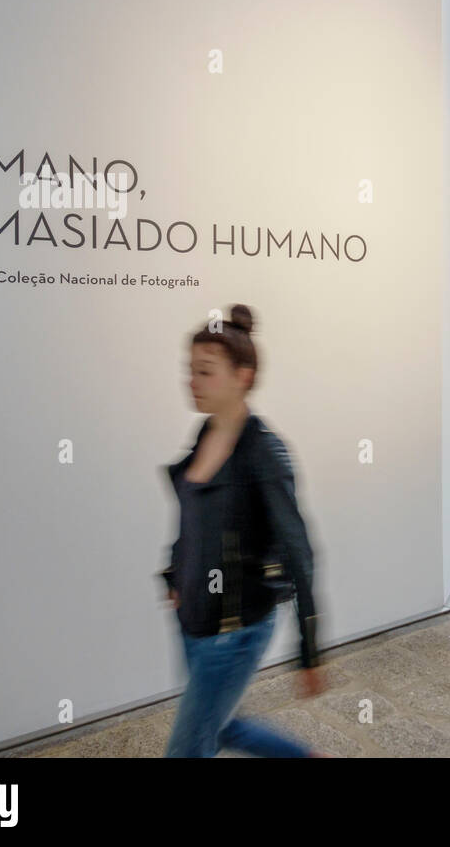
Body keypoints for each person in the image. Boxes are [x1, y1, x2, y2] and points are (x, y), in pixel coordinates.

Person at [160, 303, 326, 757]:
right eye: (190, 370)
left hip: (233, 632)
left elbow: (299, 551)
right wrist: (174, 575)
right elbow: (192, 516)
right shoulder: (203, 434)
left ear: (243, 376)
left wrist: (308, 651)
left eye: (205, 371)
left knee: (188, 748)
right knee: (221, 724)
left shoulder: (264, 453)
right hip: (192, 620)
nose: (191, 381)